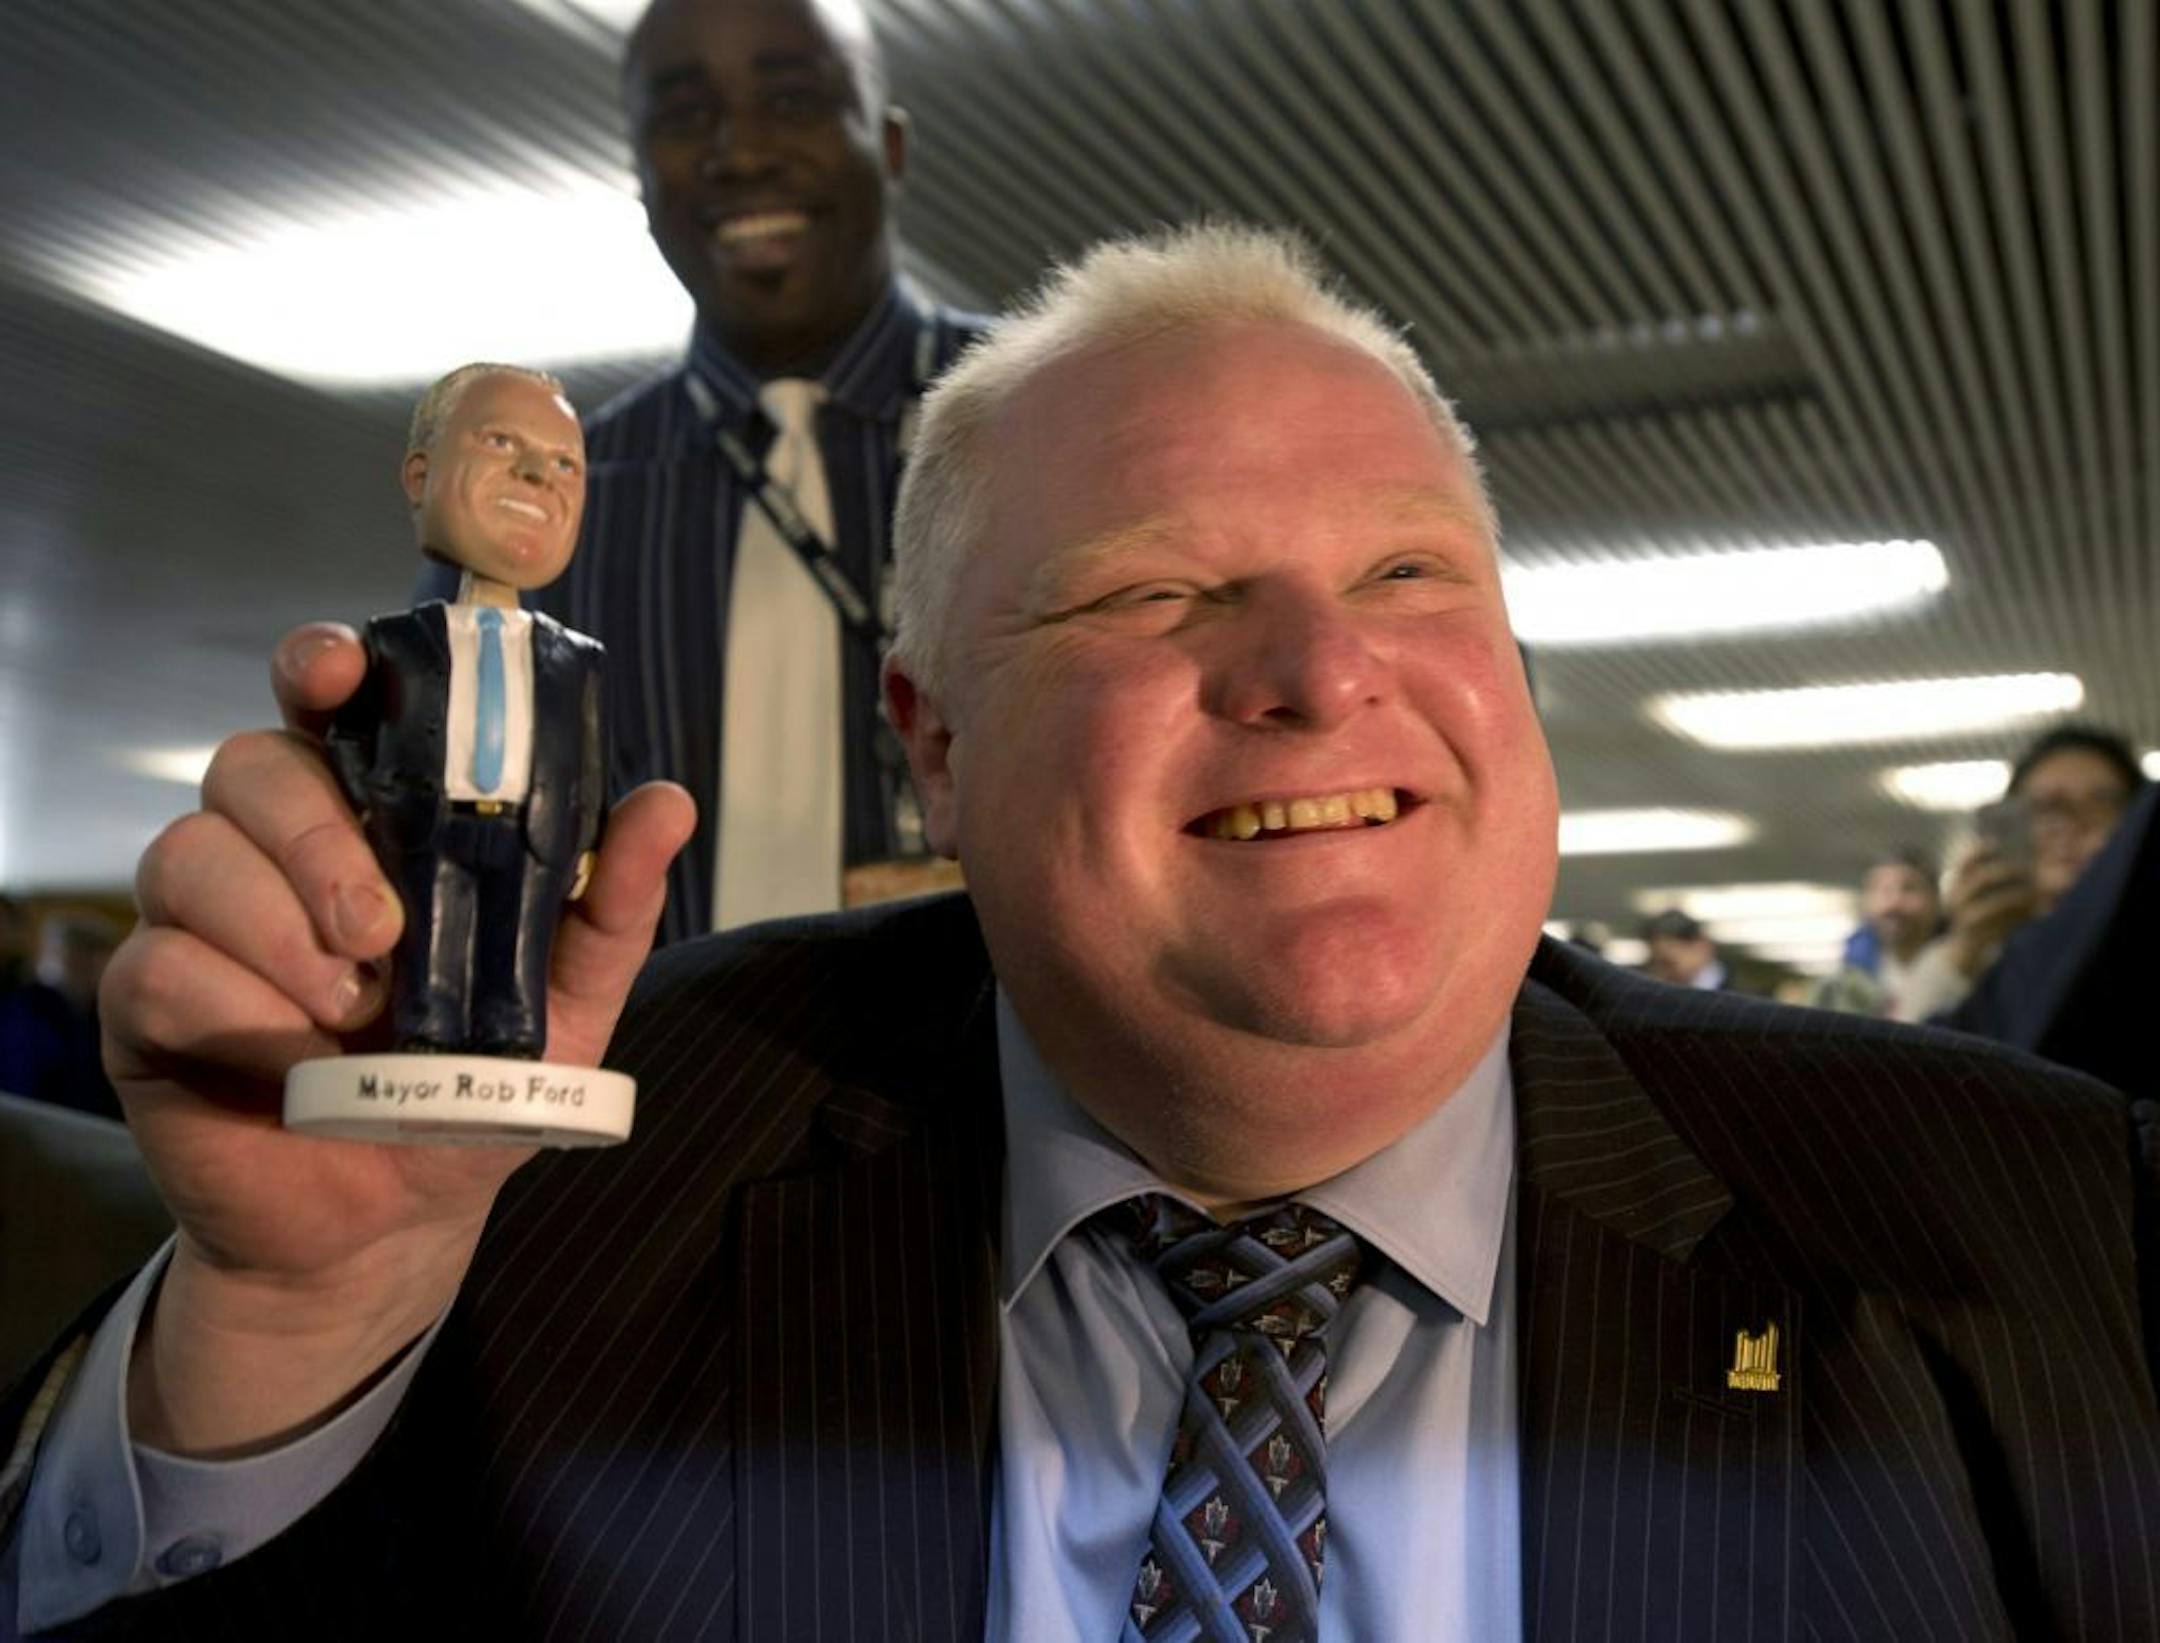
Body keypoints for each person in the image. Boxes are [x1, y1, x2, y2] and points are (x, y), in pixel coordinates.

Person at [7, 226, 2157, 1641]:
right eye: (1154, 593)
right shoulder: (567, 1188)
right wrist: (289, 1342)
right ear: (931, 745)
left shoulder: (2040, 1227)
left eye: (1412, 577)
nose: (1320, 670)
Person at [427, 0, 987, 944]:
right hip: (657, 1077)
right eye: (684, 117)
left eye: (795, 100)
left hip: (993, 1076)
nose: (740, 151)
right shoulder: (539, 494)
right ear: (640, 178)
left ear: (888, 146)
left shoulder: (1045, 427)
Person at [340, 364, 604, 1057]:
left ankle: (514, 1038)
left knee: (517, 948)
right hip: (428, 820)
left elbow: (587, 756)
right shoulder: (396, 643)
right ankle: (426, 1029)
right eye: (499, 442)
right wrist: (361, 808)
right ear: (420, 477)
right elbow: (350, 734)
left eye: (564, 463)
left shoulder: (575, 659)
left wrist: (583, 840)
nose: (536, 475)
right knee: (431, 937)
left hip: (535, 831)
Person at [1899, 723, 2146, 1022]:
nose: (2069, 828)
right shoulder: (1974, 956)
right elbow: (1904, 1055)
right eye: (2045, 808)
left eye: (2100, 806)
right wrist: (1965, 949)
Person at [1808, 845, 1942, 1020]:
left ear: (1936, 900)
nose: (1894, 903)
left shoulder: (1968, 976)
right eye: (1882, 890)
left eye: (1909, 888)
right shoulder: (1836, 991)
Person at [1638, 908, 1727, 989]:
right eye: (1657, 963)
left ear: (1702, 946)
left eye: (1668, 963)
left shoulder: (1736, 988)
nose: (1661, 972)